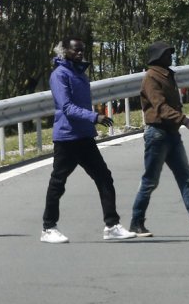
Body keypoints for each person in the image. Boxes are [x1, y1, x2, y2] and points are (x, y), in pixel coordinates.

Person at [40, 36, 136, 244]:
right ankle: (48, 228)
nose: (81, 53)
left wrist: (91, 121)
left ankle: (112, 225)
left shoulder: (79, 73)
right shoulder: (60, 75)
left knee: (104, 178)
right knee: (58, 182)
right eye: (76, 50)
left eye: (82, 50)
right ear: (64, 51)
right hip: (67, 137)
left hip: (84, 136)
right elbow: (66, 107)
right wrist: (95, 117)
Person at [128, 42, 189, 238]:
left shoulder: (167, 75)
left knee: (186, 178)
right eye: (166, 53)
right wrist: (186, 121)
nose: (170, 56)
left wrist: (180, 123)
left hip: (172, 134)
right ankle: (136, 223)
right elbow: (160, 107)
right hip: (157, 135)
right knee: (150, 181)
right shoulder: (151, 78)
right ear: (157, 57)